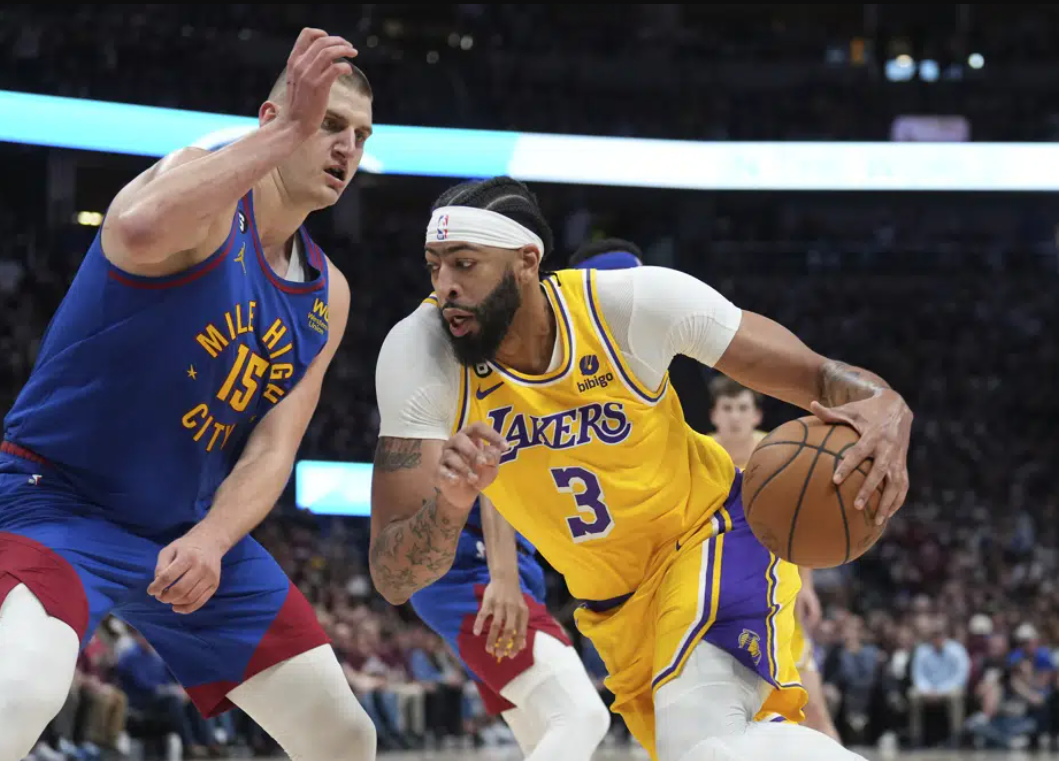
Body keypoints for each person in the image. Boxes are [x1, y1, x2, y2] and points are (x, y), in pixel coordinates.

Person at [0, 29, 377, 761]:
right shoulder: (202, 194)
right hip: (60, 502)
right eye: (327, 123)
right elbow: (136, 226)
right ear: (271, 120)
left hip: (187, 530)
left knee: (342, 733)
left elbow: (274, 447)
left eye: (359, 135)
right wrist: (279, 140)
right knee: (21, 692)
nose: (344, 147)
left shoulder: (327, 291)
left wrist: (211, 538)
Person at [369, 176, 912, 761]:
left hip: (706, 536)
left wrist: (887, 405)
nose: (445, 287)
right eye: (434, 267)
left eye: (465, 264)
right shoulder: (420, 353)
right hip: (613, 605)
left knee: (702, 743)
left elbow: (819, 376)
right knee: (715, 750)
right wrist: (451, 503)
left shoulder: (627, 307)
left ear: (527, 261)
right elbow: (394, 576)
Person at [408, 494, 609, 757]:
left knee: (544, 736)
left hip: (507, 568)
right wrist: (503, 578)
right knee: (583, 715)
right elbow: (495, 480)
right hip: (476, 568)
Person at [707, 375, 842, 743]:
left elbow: (802, 522)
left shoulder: (779, 452)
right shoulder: (699, 454)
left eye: (743, 408)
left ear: (756, 415)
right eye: (728, 408)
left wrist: (808, 586)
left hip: (775, 584)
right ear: (714, 415)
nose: (735, 416)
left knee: (813, 708)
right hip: (714, 586)